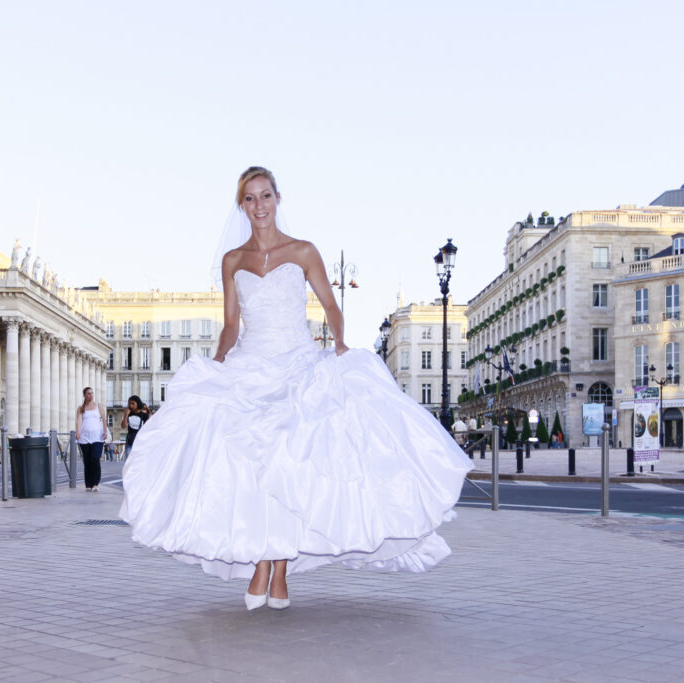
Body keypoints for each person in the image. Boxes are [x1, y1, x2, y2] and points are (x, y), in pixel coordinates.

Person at [120, 167, 470, 611]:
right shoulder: (232, 261)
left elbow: (330, 306)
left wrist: (340, 341)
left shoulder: (303, 251)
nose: (259, 206)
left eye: (266, 196)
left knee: (291, 460)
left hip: (300, 363)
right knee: (250, 465)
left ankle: (277, 567)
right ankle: (263, 563)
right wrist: (219, 360)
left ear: (277, 199)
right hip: (251, 364)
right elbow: (231, 326)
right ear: (241, 205)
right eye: (250, 198)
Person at [75, 387, 108, 492]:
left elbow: (103, 419)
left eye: (92, 393)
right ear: (84, 395)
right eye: (88, 393)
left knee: (95, 458)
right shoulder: (81, 408)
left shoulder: (98, 406)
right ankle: (88, 484)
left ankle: (95, 483)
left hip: (97, 436)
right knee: (87, 460)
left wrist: (105, 431)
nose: (91, 395)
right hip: (85, 437)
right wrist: (78, 432)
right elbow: (79, 420)